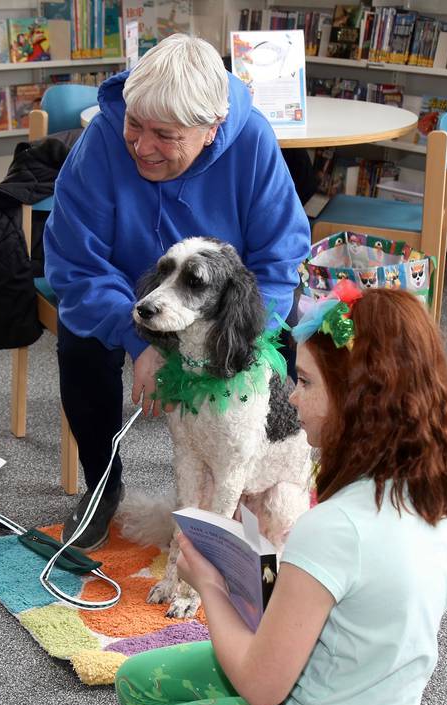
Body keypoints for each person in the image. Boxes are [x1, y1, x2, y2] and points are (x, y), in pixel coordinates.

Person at [81, 288, 447, 705]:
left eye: (306, 383)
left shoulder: (334, 527)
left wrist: (210, 584)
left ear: (359, 399)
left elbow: (263, 686)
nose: (290, 396)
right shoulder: (435, 498)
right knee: (135, 683)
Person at [44, 34, 311, 551]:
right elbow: (76, 262)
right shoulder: (101, 139)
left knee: (287, 348)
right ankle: (103, 481)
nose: (143, 147)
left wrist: (235, 344)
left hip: (217, 303)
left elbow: (279, 261)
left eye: (165, 135)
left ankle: (266, 478)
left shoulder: (253, 141)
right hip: (126, 294)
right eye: (134, 126)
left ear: (211, 130)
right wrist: (141, 340)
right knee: (79, 341)